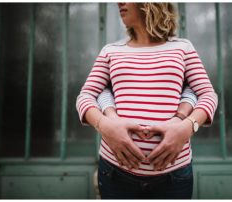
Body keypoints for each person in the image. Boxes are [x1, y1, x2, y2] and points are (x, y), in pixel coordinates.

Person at [76, 3, 218, 199]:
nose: (119, 2)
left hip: (174, 176)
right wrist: (105, 126)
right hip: (115, 173)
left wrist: (186, 128)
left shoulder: (182, 48)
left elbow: (208, 95)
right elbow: (86, 96)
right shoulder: (110, 51)